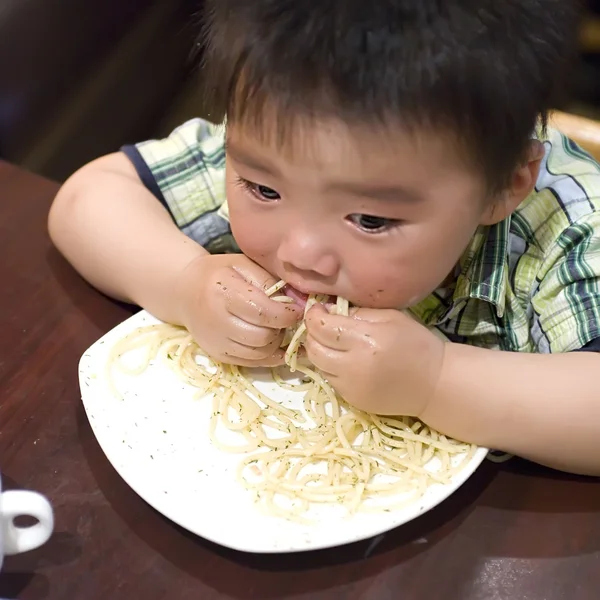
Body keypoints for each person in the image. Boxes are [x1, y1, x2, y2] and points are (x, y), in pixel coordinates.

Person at [48, 1, 600, 475]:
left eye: (370, 221)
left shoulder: (568, 218)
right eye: (263, 191)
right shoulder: (285, 136)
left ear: (502, 187)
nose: (300, 254)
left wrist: (436, 381)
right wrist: (183, 281)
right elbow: (87, 198)